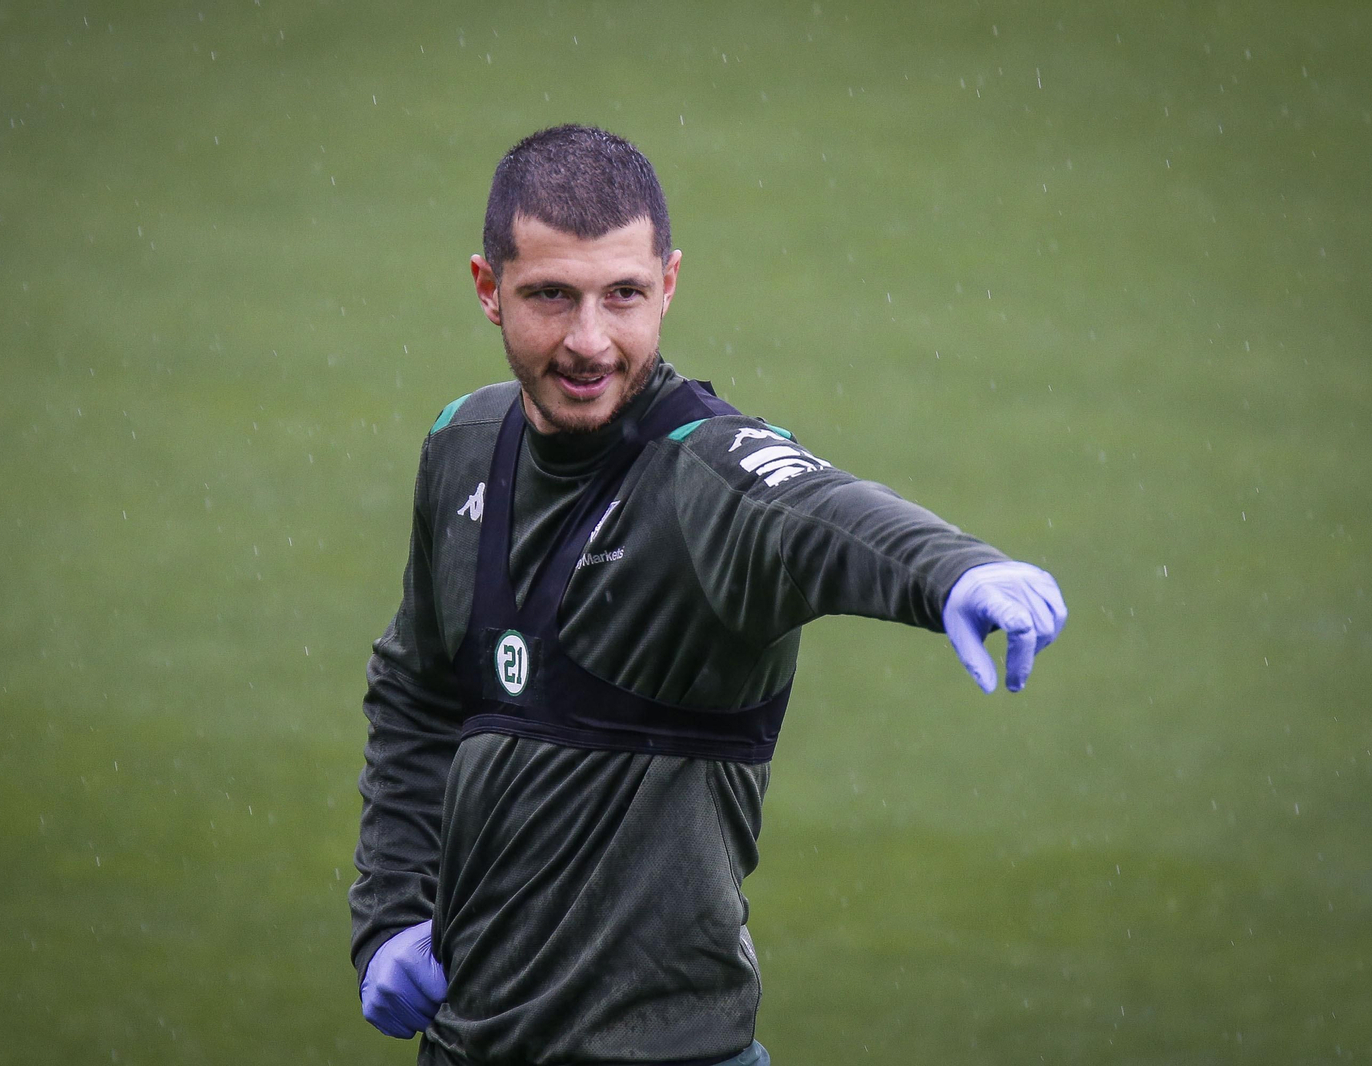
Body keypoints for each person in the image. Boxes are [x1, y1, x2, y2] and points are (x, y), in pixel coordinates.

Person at [350, 124, 1066, 1066]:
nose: (589, 340)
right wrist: (394, 914)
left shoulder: (708, 476)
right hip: (464, 1047)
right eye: (551, 297)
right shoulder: (462, 444)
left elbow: (818, 510)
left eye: (624, 296)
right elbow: (418, 697)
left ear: (670, 285)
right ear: (489, 290)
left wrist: (955, 570)